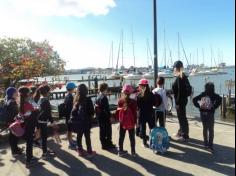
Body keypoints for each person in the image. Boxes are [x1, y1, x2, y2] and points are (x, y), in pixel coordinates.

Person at [193, 82, 222, 153]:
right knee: (210, 129)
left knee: (205, 128)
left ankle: (206, 144)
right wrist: (214, 107)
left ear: (205, 88)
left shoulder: (203, 94)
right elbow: (220, 99)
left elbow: (194, 99)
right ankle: (210, 145)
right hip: (210, 113)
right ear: (213, 88)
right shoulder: (213, 95)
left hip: (203, 113)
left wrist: (199, 106)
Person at [71, 84, 96, 158]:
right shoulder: (88, 99)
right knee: (87, 136)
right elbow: (92, 111)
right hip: (86, 121)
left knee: (79, 136)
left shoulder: (76, 99)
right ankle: (89, 151)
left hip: (78, 122)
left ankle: (80, 150)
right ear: (86, 90)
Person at [172, 60, 192, 142]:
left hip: (180, 101)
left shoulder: (180, 77)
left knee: (182, 117)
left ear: (177, 68)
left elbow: (180, 91)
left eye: (174, 67)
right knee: (181, 117)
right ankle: (181, 132)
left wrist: (177, 103)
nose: (173, 69)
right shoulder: (183, 76)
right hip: (183, 100)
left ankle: (185, 135)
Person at [18, 86, 38, 167]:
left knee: (29, 143)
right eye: (29, 93)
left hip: (24, 126)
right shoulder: (28, 104)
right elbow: (34, 113)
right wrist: (36, 110)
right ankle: (29, 161)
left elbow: (24, 115)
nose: (30, 94)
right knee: (29, 143)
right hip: (29, 126)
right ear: (27, 94)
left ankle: (30, 157)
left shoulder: (21, 103)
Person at [117, 84, 137, 156]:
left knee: (121, 137)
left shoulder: (120, 101)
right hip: (131, 122)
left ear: (123, 92)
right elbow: (135, 113)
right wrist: (135, 122)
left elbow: (118, 113)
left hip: (122, 123)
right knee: (132, 137)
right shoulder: (134, 102)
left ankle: (120, 151)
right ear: (130, 93)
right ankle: (133, 151)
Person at [37, 85, 55, 159]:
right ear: (47, 92)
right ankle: (44, 154)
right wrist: (52, 122)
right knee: (44, 137)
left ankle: (45, 151)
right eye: (49, 91)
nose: (50, 92)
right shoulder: (46, 101)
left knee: (43, 137)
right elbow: (48, 113)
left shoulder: (40, 99)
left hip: (39, 120)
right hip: (43, 121)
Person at [95, 83, 115, 150]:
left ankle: (103, 144)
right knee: (108, 131)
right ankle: (109, 143)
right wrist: (110, 117)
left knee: (102, 131)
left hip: (99, 117)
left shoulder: (98, 96)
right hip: (105, 117)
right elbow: (106, 109)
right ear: (105, 89)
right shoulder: (104, 98)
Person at [137, 79, 156, 147]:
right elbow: (154, 103)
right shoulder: (151, 94)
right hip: (150, 113)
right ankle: (153, 141)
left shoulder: (139, 95)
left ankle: (144, 143)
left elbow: (138, 106)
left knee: (143, 128)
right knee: (152, 127)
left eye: (139, 85)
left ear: (141, 86)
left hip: (142, 114)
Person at [5, 87, 22, 156]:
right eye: (16, 92)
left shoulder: (7, 100)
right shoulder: (12, 102)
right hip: (13, 122)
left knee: (13, 136)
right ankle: (14, 151)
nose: (17, 93)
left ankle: (15, 149)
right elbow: (15, 113)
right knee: (14, 137)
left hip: (9, 121)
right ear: (12, 93)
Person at [64, 82, 77, 150]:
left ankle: (71, 140)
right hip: (69, 116)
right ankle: (70, 143)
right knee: (69, 129)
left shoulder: (67, 95)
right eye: (74, 88)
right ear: (72, 88)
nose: (75, 89)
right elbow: (71, 107)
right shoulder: (70, 96)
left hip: (67, 115)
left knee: (69, 129)